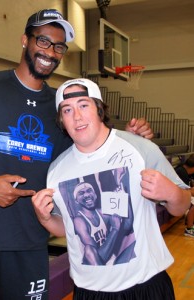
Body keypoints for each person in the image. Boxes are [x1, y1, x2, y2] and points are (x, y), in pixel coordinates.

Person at [0, 8, 153, 300]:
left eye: (59, 46)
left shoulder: (60, 106)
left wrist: (130, 140)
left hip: (30, 239)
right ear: (25, 40)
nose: (51, 52)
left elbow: (90, 150)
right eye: (43, 41)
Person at [31, 78, 191, 300]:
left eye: (84, 105)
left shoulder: (140, 148)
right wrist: (45, 218)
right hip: (89, 291)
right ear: (61, 120)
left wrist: (172, 193)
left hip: (145, 287)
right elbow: (64, 229)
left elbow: (181, 206)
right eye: (67, 110)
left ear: (99, 108)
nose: (77, 116)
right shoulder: (57, 169)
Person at [175, 154, 194, 237]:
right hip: (173, 196)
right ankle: (189, 229)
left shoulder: (183, 169)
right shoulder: (181, 172)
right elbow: (186, 191)